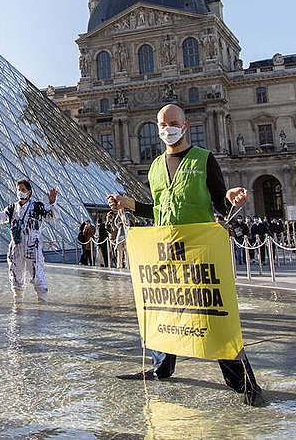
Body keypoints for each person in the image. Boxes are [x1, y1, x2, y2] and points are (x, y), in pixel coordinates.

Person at [107, 103, 265, 406]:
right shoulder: (154, 167)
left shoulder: (205, 160)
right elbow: (157, 208)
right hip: (166, 252)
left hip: (199, 252)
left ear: (186, 125)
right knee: (163, 308)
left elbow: (220, 202)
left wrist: (232, 198)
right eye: (163, 124)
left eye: (173, 122)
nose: (168, 128)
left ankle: (246, 386)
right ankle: (160, 368)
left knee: (214, 319)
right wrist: (128, 204)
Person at [0, 178, 59, 301]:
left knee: (38, 276)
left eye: (23, 189)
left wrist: (52, 203)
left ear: (29, 191)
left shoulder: (37, 206)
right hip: (16, 247)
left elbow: (53, 216)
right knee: (15, 277)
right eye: (18, 190)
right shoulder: (12, 208)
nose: (20, 192)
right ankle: (18, 303)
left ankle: (42, 303)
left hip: (32, 247)